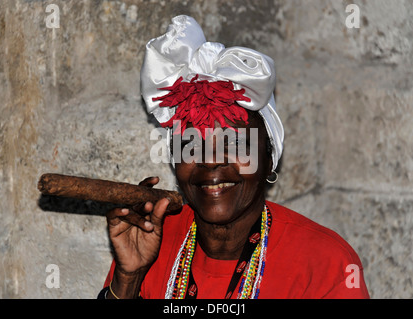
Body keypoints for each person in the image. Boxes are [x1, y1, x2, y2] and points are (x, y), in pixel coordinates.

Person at [97, 15, 369, 299]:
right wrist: (128, 280)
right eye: (191, 144)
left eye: (235, 143)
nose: (211, 161)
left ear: (269, 156)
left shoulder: (325, 266)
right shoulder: (151, 241)